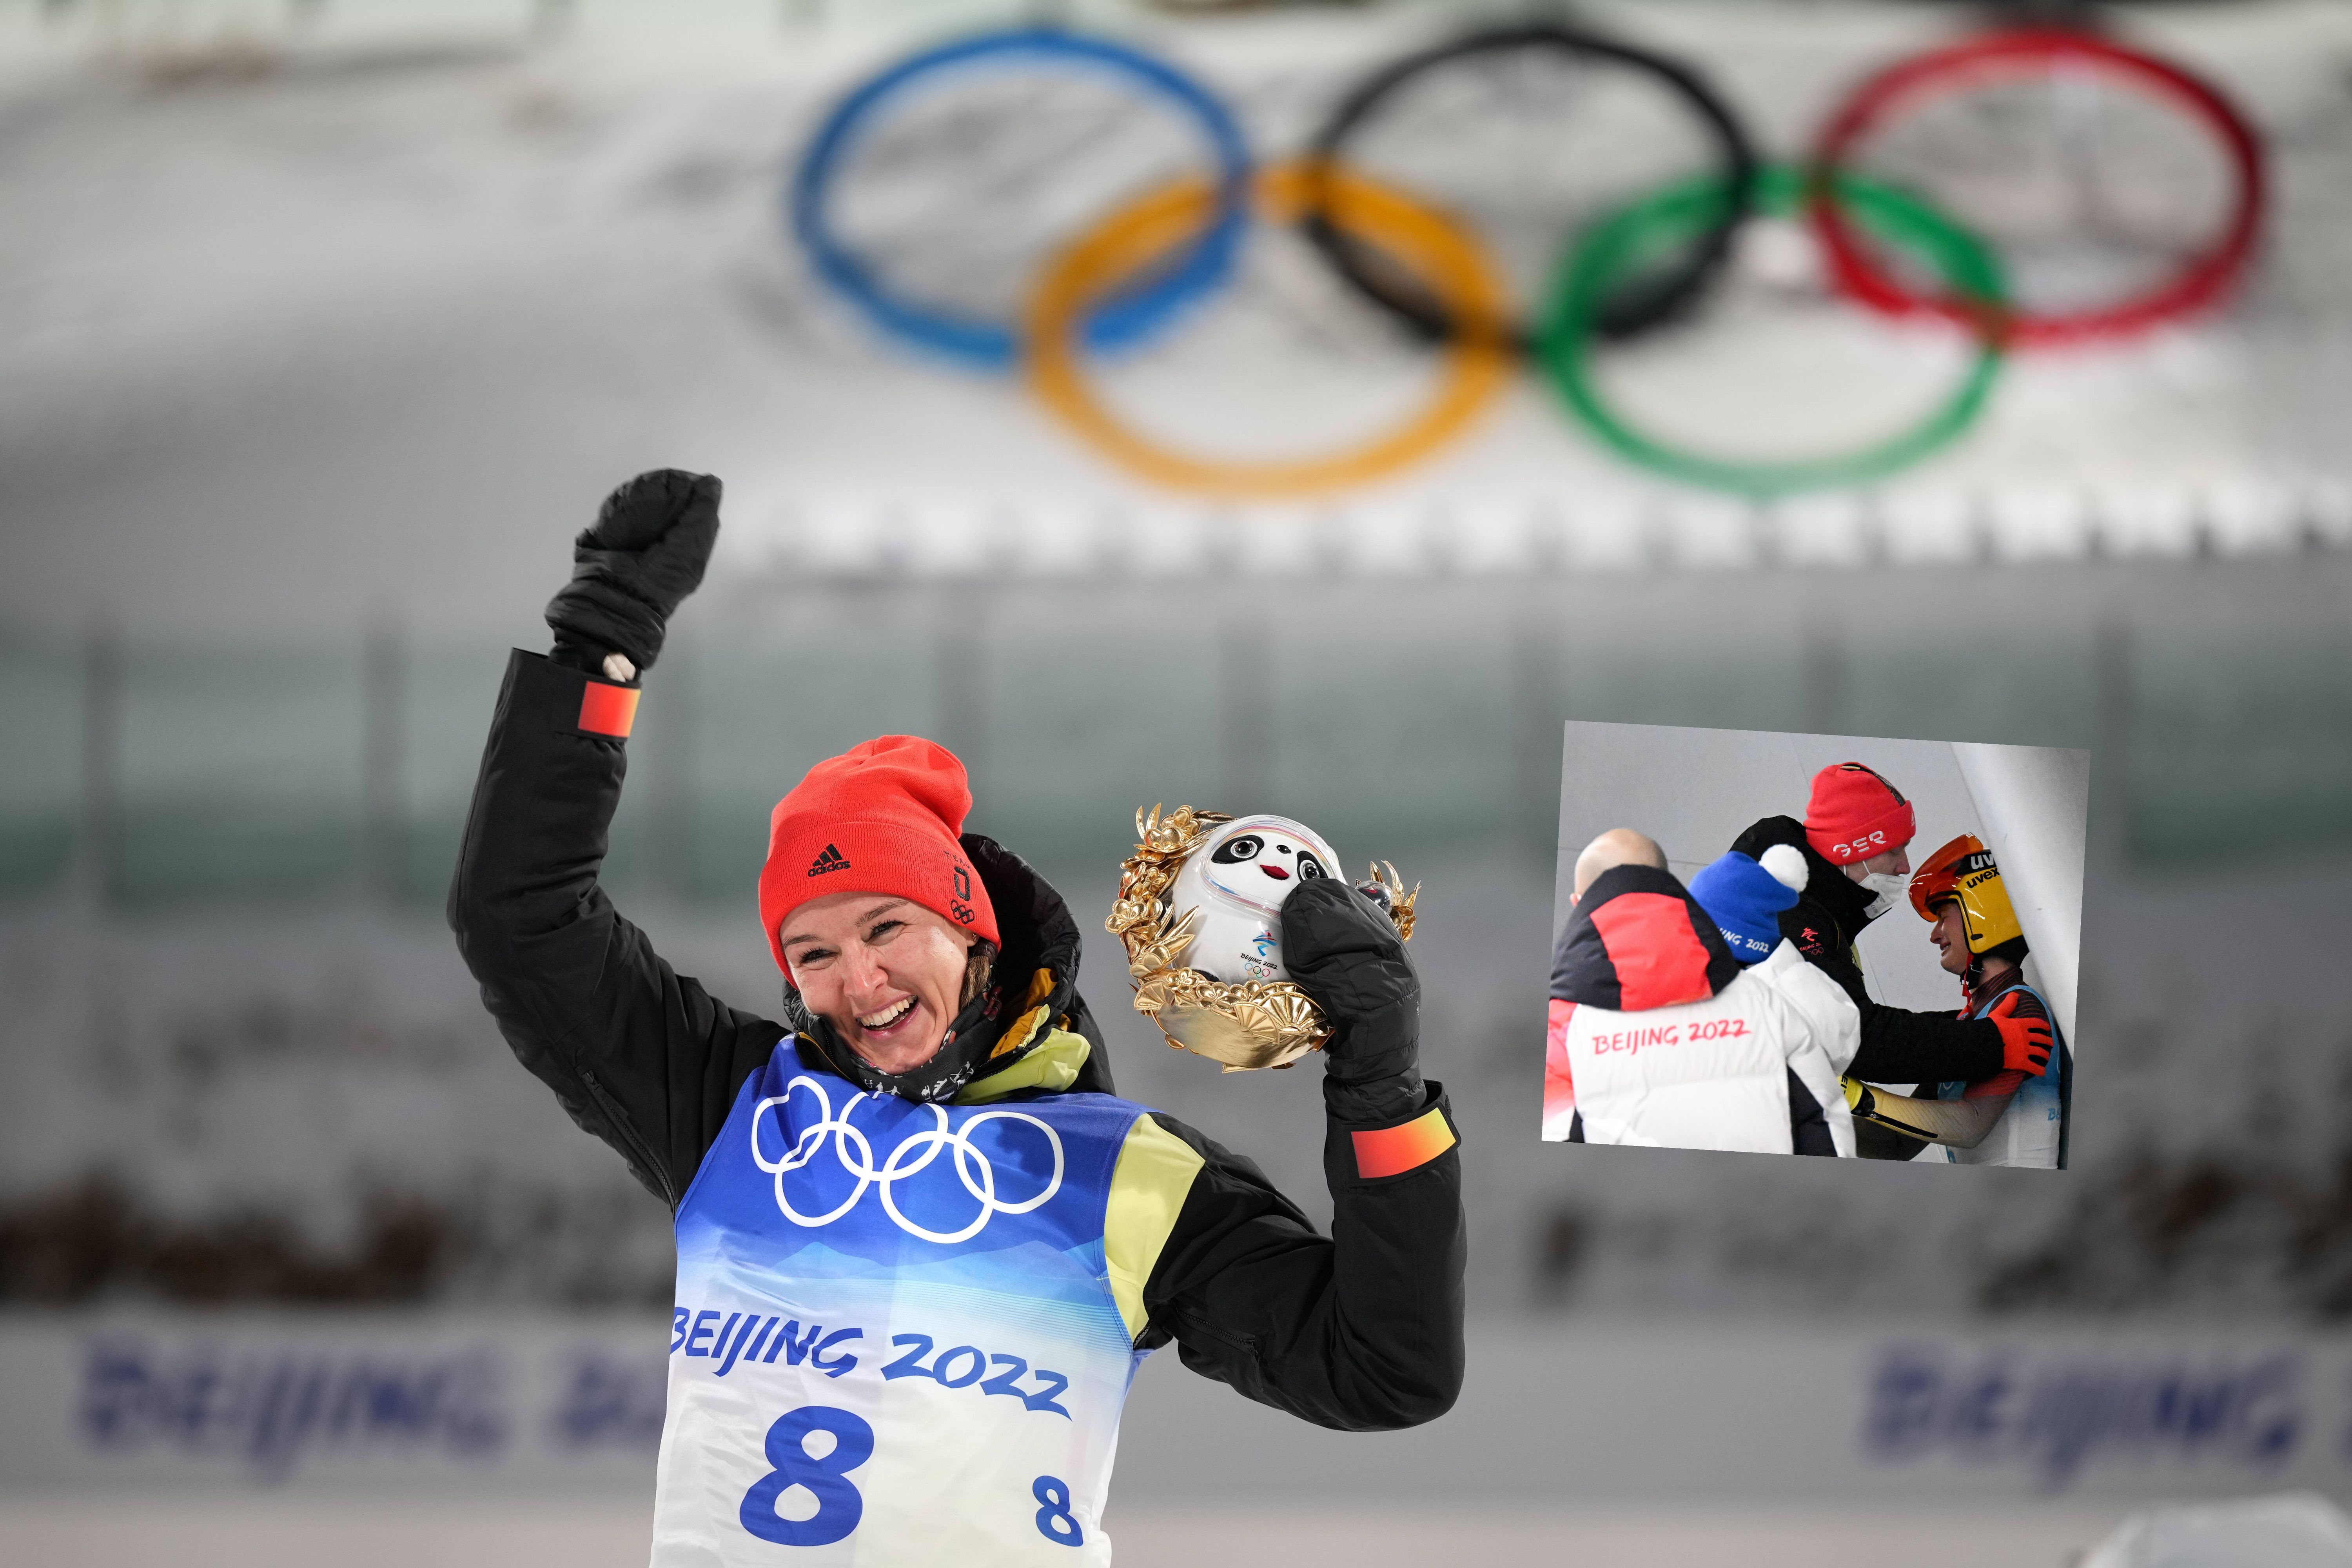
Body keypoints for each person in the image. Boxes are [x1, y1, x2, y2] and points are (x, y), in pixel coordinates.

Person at [447, 471, 1465, 1565]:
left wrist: (1381, 1088)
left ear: (972, 931)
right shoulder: (736, 1110)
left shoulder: (1134, 1178)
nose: (861, 980)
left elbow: (1386, 1370)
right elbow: (520, 920)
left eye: (888, 927)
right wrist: (598, 652)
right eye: (814, 953)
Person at [1730, 762, 2051, 1158]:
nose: (1904, 866)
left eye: (1943, 915)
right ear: (1854, 850)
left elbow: (1893, 1142)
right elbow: (1859, 1037)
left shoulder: (1804, 914)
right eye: (1895, 850)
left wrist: (1965, 1032)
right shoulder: (1790, 916)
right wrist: (1990, 1042)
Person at [1543, 829, 1846, 1155]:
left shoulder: (1558, 1027)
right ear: (1667, 886)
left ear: (1579, 904)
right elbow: (1825, 1126)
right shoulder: (1764, 1001)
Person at [1841, 835, 2070, 1169]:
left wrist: (1855, 1096)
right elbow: (1896, 1145)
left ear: (1982, 915)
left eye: (1942, 917)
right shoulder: (1968, 1027)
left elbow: (1971, 1127)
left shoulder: (2021, 1009)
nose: (1934, 935)